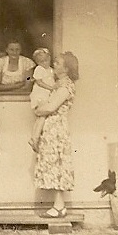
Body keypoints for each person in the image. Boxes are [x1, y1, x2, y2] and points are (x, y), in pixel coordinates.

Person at [33, 51, 79, 218]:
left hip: (57, 128)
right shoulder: (59, 83)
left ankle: (59, 206)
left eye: (58, 63)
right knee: (52, 164)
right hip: (51, 127)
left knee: (57, 164)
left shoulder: (66, 86)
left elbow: (50, 107)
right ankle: (58, 205)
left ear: (66, 68)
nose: (55, 65)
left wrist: (39, 109)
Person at [28, 48, 55, 151]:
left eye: (46, 60)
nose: (44, 63)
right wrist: (51, 88)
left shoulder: (51, 70)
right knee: (42, 116)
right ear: (37, 62)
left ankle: (34, 137)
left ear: (49, 58)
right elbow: (39, 82)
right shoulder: (39, 69)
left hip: (46, 95)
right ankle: (34, 138)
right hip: (40, 95)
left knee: (41, 118)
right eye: (41, 61)